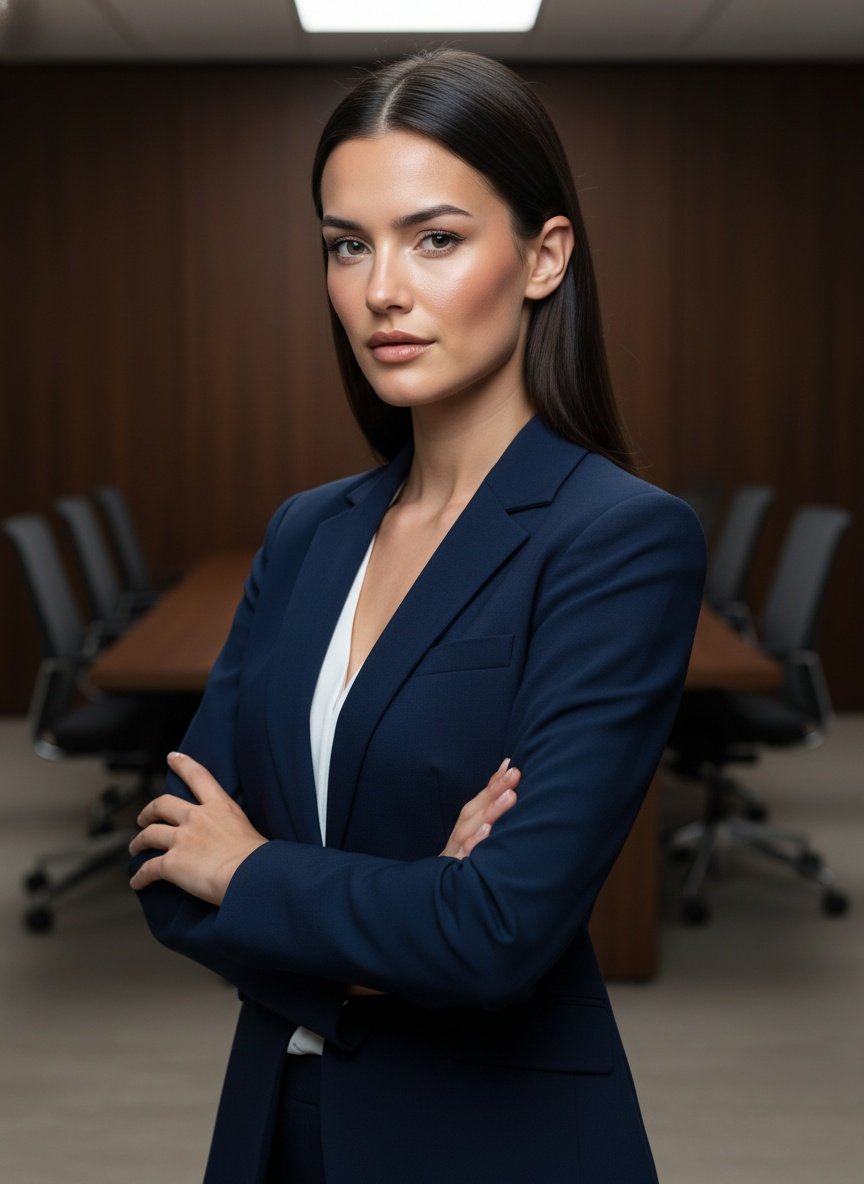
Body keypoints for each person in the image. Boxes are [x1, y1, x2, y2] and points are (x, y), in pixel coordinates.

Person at [130, 49, 705, 1184]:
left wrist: (250, 873)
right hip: (272, 1128)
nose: (381, 288)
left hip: (488, 1137)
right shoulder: (307, 532)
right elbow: (163, 860)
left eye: (434, 238)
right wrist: (407, 916)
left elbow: (499, 931)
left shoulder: (617, 536)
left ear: (543, 257)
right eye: (349, 245)